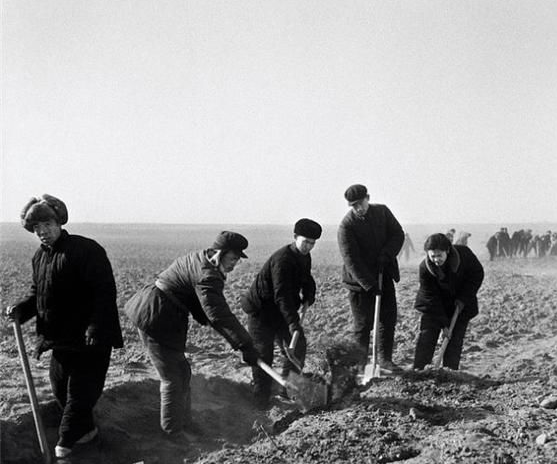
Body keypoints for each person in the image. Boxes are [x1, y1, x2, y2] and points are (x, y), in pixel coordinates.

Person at [5, 195, 123, 459]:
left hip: (91, 340)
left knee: (80, 395)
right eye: (36, 228)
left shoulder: (85, 250)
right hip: (61, 339)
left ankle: (63, 453)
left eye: (46, 224)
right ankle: (89, 434)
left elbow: (104, 292)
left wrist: (95, 326)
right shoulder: (40, 257)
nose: (42, 232)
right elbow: (38, 295)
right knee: (59, 389)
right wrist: (22, 310)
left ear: (59, 221)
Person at [124, 231, 259, 436]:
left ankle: (183, 425)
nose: (234, 265)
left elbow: (201, 304)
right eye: (232, 259)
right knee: (172, 377)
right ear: (219, 254)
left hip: (165, 313)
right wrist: (244, 344)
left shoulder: (200, 258)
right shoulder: (208, 275)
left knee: (182, 372)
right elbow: (218, 314)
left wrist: (215, 325)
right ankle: (172, 432)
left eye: (237, 260)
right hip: (155, 315)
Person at [241, 219, 322, 407]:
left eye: (312, 243)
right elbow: (282, 296)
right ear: (295, 237)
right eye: (305, 241)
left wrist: (310, 292)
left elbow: (306, 278)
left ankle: (287, 390)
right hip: (261, 312)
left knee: (298, 346)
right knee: (263, 355)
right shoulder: (282, 260)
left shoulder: (304, 256)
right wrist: (293, 323)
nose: (308, 246)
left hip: (281, 311)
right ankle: (260, 400)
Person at [338, 184, 404, 370]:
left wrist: (387, 253)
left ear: (368, 197)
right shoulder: (347, 226)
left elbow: (398, 234)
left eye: (360, 203)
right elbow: (351, 260)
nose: (358, 208)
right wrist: (369, 284)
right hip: (359, 283)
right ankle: (359, 365)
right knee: (362, 325)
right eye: (354, 206)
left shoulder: (382, 212)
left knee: (387, 320)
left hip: (384, 274)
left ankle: (384, 360)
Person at [413, 233, 484, 370]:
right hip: (433, 306)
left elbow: (477, 274)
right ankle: (419, 371)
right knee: (427, 336)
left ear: (448, 251)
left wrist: (463, 298)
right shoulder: (425, 268)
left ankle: (450, 371)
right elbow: (430, 297)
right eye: (432, 256)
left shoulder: (464, 255)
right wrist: (444, 323)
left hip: (460, 303)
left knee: (454, 340)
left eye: (439, 255)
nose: (436, 260)